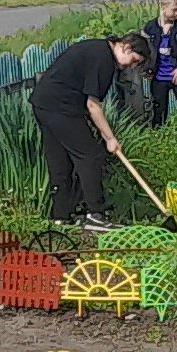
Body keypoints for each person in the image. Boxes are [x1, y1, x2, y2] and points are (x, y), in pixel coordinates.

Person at [30, 25, 147, 224]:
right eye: (134, 60)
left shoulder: (97, 49)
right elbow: (93, 105)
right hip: (61, 107)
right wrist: (110, 138)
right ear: (126, 48)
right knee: (91, 156)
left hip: (43, 103)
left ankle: (61, 216)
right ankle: (96, 214)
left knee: (60, 161)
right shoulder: (104, 60)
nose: (131, 67)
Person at [136, 0, 177, 121]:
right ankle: (159, 136)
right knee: (158, 111)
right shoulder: (150, 28)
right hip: (158, 77)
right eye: (174, 9)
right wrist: (147, 68)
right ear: (163, 8)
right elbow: (143, 50)